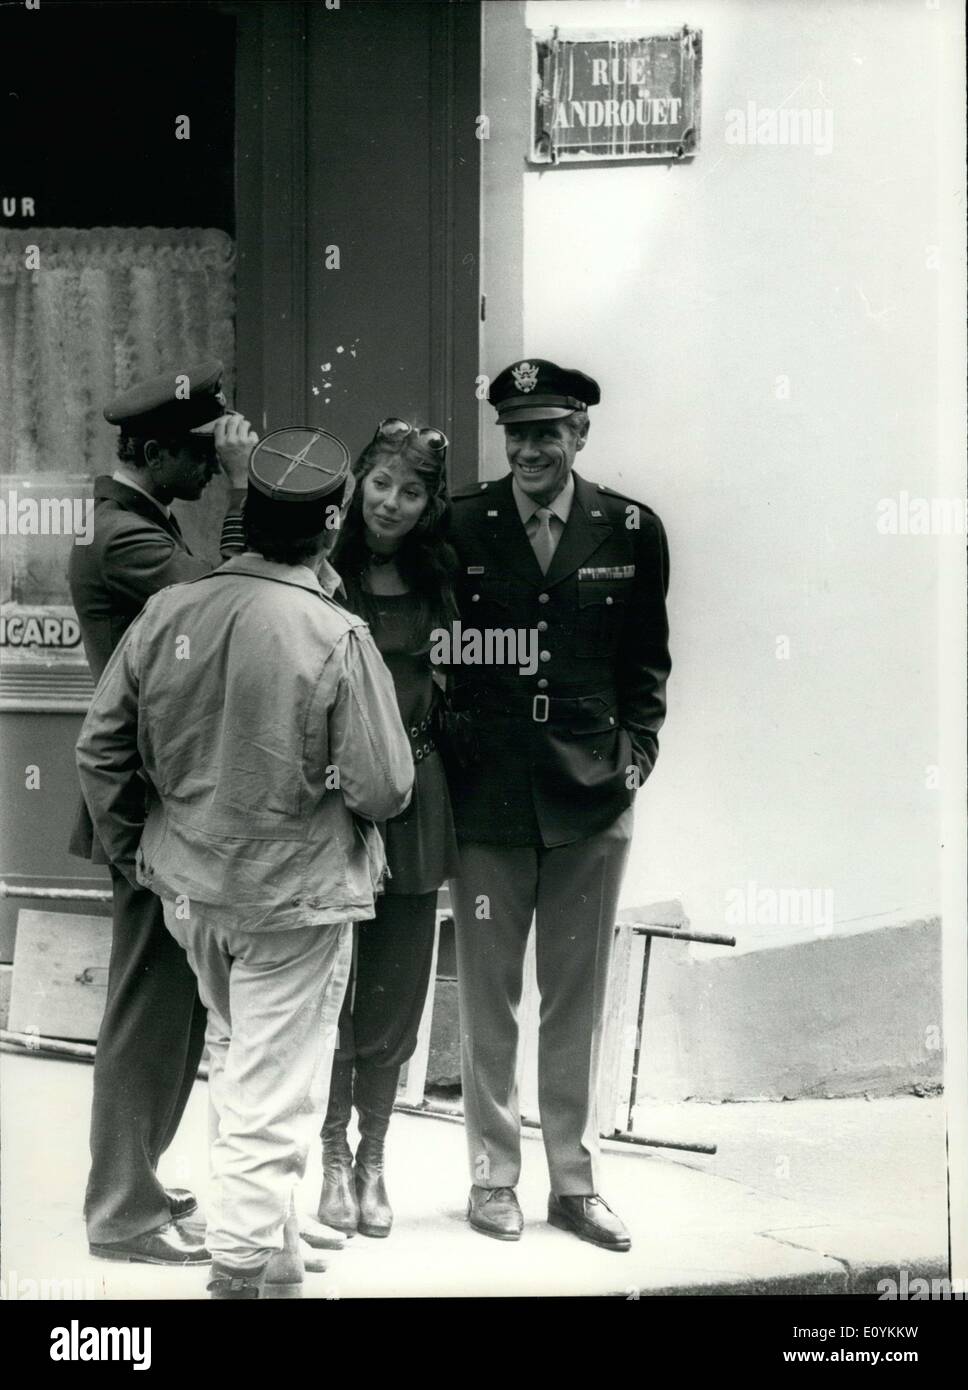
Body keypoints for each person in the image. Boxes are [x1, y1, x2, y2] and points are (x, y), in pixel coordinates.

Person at [75, 430, 414, 1298]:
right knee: (271, 1093)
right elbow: (384, 788)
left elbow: (101, 750)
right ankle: (240, 1273)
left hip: (193, 896)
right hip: (291, 904)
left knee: (240, 1065)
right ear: (331, 522)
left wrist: (141, 854)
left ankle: (276, 1252)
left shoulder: (171, 610)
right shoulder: (335, 633)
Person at [446, 359, 671, 1252]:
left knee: (573, 997)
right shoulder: (463, 522)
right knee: (489, 997)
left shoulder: (630, 527)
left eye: (548, 433)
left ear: (580, 435)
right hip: (490, 794)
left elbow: (647, 658)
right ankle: (493, 1177)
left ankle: (573, 1183)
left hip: (590, 795)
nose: (531, 450)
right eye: (517, 434)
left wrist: (637, 756)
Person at [68, 360, 256, 1265]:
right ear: (149, 451)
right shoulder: (123, 538)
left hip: (162, 801)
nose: (210, 466)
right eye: (197, 453)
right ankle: (122, 1211)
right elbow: (229, 607)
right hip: (143, 809)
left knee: (171, 1004)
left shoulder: (140, 521)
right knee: (149, 1007)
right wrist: (251, 490)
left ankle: (139, 1179)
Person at [314, 418, 461, 1239]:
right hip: (336, 795)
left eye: (410, 492)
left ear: (428, 503)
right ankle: (330, 1155)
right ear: (357, 482)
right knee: (332, 980)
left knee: (397, 987)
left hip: (416, 794)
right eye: (380, 484)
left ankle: (374, 1160)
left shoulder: (443, 581)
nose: (391, 504)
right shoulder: (322, 573)